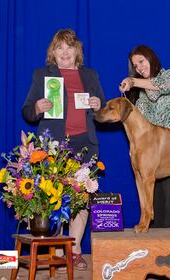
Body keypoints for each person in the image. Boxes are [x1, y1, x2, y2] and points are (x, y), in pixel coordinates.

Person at [22, 28, 106, 270]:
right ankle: (58, 249)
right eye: (60, 47)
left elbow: (102, 113)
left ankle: (75, 250)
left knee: (81, 201)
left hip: (85, 146)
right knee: (54, 200)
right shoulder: (42, 75)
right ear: (53, 53)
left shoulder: (90, 75)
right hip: (55, 148)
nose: (65, 52)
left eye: (69, 47)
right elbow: (27, 111)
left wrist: (98, 105)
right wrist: (37, 107)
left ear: (77, 51)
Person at [119, 45, 170, 228]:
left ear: (151, 58)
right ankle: (156, 254)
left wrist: (133, 81)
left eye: (141, 61)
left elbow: (161, 86)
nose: (139, 67)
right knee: (155, 209)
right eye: (135, 65)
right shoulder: (139, 96)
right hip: (150, 154)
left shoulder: (169, 75)